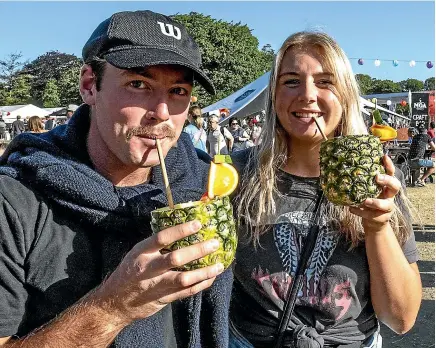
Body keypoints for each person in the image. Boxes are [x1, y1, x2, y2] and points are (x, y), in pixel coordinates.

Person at [0, 10, 233, 348]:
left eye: (179, 91)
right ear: (89, 85)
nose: (163, 112)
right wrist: (114, 307)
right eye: (138, 85)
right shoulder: (14, 200)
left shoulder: (203, 186)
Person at [229, 31, 421, 348]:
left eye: (325, 81)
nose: (307, 94)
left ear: (345, 96)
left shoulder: (379, 179)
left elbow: (400, 318)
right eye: (291, 81)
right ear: (273, 96)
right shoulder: (234, 175)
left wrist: (377, 227)